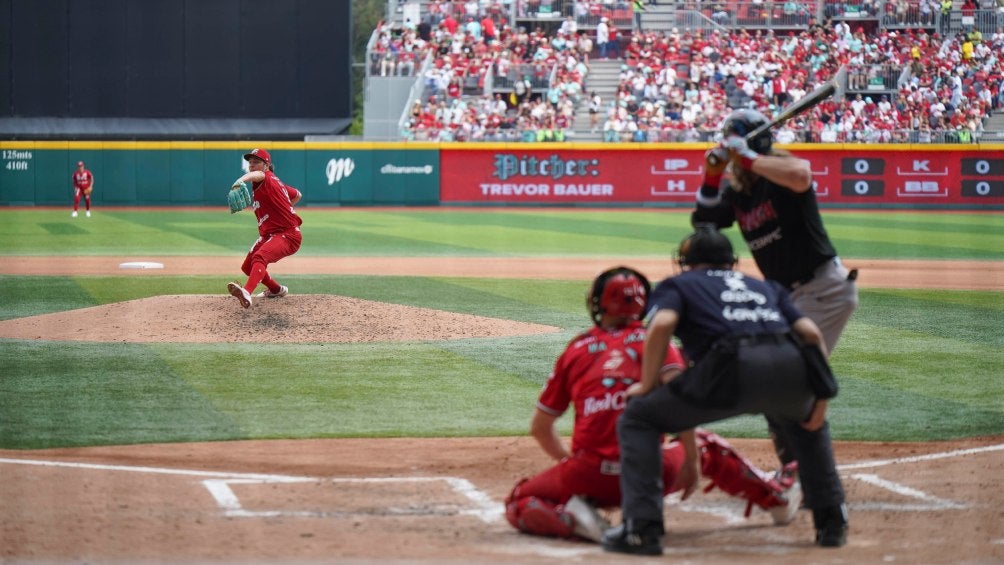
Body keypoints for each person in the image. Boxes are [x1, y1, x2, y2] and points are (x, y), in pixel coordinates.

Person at [505, 267, 801, 543]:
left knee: (519, 500)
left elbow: (540, 428)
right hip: (652, 473)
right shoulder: (656, 341)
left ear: (599, 304)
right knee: (707, 446)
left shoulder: (576, 348)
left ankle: (572, 517)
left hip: (588, 476)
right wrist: (691, 462)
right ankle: (778, 500)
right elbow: (680, 396)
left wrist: (577, 470)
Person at [601, 228, 847, 555]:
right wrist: (820, 396)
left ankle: (642, 529)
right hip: (791, 365)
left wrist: (647, 386)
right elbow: (812, 336)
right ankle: (831, 521)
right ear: (732, 262)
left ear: (685, 263)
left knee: (638, 418)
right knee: (806, 424)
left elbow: (660, 326)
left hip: (730, 366)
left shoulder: (680, 284)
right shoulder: (765, 286)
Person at [693, 108, 858, 467]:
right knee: (775, 379)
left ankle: (810, 470)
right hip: (785, 297)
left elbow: (801, 176)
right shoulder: (740, 192)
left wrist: (748, 157)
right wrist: (713, 173)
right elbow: (703, 222)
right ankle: (795, 465)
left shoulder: (782, 173)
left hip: (823, 290)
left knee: (788, 379)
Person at [226, 148, 303, 309]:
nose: (252, 166)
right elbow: (298, 194)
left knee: (260, 257)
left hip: (287, 235)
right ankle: (276, 289)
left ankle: (246, 292)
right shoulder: (276, 182)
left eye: (256, 162)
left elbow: (257, 175)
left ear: (266, 165)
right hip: (270, 234)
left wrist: (240, 181)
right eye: (250, 163)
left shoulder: (265, 177)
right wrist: (283, 206)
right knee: (247, 267)